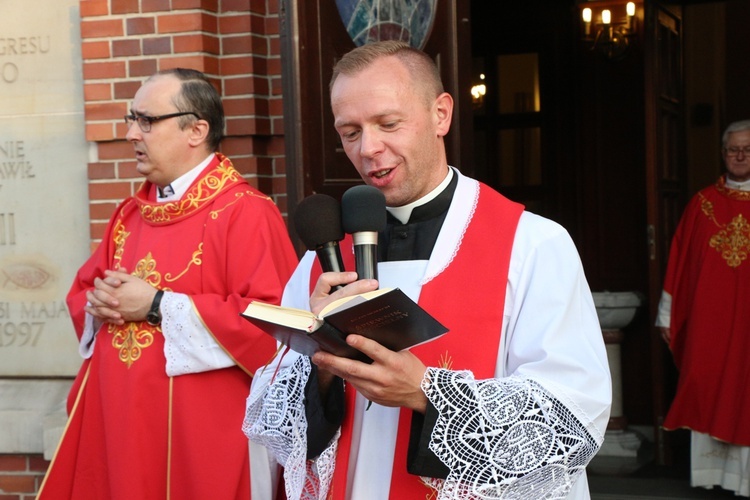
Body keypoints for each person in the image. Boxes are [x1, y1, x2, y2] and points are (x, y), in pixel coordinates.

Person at [244, 41, 611, 499]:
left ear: (441, 114)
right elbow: (277, 428)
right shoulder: (324, 257)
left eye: (389, 123)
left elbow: (573, 412)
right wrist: (320, 359)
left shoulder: (532, 243)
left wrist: (424, 393)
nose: (369, 148)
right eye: (350, 131)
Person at [38, 68, 298, 499]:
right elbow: (84, 292)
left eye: (146, 120)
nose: (130, 134)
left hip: (204, 439)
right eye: (130, 118)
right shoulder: (129, 215)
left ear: (196, 130)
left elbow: (275, 327)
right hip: (121, 430)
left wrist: (158, 304)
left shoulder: (245, 213)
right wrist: (99, 303)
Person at [656, 119, 750, 497]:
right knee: (708, 384)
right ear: (723, 154)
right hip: (710, 326)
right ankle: (715, 477)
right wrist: (667, 314)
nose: (740, 156)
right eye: (733, 149)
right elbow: (679, 262)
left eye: (747, 149)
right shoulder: (703, 203)